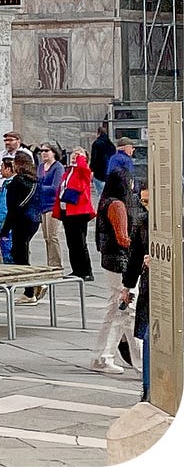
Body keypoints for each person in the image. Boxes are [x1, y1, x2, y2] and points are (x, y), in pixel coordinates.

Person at [92, 170, 136, 375]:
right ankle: (106, 356)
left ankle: (113, 356)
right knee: (122, 309)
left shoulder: (105, 201)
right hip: (120, 261)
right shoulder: (117, 205)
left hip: (110, 260)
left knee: (119, 309)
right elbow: (123, 238)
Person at [121, 184, 150, 398]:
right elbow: (135, 256)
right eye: (143, 201)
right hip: (150, 289)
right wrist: (128, 286)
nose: (146, 206)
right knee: (149, 337)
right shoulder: (142, 221)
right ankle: (148, 391)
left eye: (149, 201)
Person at [2, 149, 42, 299]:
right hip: (34, 220)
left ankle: (30, 290)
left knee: (20, 255)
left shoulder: (17, 182)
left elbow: (12, 208)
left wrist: (5, 229)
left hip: (21, 221)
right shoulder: (35, 180)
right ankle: (31, 286)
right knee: (20, 252)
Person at [56, 149, 96, 280]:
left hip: (79, 211)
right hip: (67, 210)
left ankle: (86, 271)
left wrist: (81, 159)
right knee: (71, 243)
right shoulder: (69, 172)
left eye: (78, 155)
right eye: (74, 154)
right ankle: (77, 269)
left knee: (80, 242)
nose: (75, 156)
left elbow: (84, 169)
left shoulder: (83, 171)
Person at [31, 143, 65, 272]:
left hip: (53, 205)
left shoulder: (58, 167)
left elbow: (55, 187)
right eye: (41, 151)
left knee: (53, 236)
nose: (43, 153)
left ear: (54, 152)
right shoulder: (40, 167)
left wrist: (39, 188)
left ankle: (56, 264)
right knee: (46, 236)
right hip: (42, 205)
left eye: (46, 151)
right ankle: (50, 261)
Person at [90, 123, 116, 194]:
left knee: (100, 194)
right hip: (109, 174)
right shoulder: (111, 145)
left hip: (99, 173)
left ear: (98, 133)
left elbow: (94, 158)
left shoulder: (96, 144)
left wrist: (91, 170)